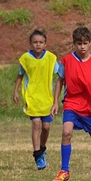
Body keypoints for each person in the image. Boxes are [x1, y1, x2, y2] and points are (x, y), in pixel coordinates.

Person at [50, 26, 91, 181]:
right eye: (79, 43)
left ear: (90, 43)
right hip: (72, 103)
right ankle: (64, 170)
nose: (82, 47)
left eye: (85, 43)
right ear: (74, 44)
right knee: (66, 132)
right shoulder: (67, 61)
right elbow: (60, 81)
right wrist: (55, 102)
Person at [13, 29, 58, 170]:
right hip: (31, 97)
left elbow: (60, 76)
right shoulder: (25, 58)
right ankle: (38, 156)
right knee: (36, 124)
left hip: (46, 98)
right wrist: (15, 91)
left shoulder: (51, 58)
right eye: (35, 42)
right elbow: (20, 75)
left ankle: (42, 148)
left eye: (41, 42)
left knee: (46, 127)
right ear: (31, 44)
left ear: (45, 44)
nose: (38, 45)